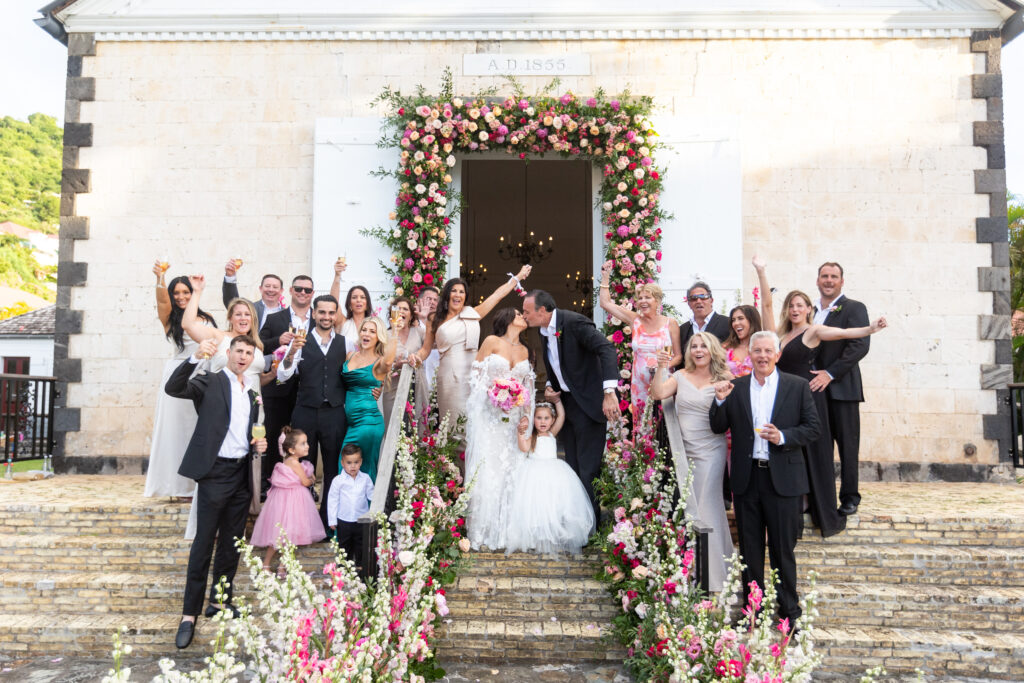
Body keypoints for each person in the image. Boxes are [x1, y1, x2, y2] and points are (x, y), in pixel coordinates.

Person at [709, 331, 820, 626]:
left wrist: (783, 436)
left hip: (783, 480)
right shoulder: (736, 386)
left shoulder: (796, 387)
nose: (762, 356)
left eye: (768, 351)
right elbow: (718, 426)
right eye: (757, 351)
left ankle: (789, 613)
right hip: (747, 480)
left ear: (777, 355)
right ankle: (753, 611)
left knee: (783, 549)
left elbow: (813, 428)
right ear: (750, 356)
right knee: (750, 550)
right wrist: (719, 402)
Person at [165, 336, 268, 649]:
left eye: (249, 353)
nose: (243, 356)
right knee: (203, 544)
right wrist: (196, 356)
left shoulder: (251, 392)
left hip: (240, 474)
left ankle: (219, 601)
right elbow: (174, 387)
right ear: (228, 353)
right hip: (214, 472)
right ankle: (189, 615)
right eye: (239, 350)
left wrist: (257, 442)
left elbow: (244, 430)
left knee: (231, 543)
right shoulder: (209, 382)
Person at [776, 289, 887, 536]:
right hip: (786, 399)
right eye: (791, 306)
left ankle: (822, 504)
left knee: (816, 451)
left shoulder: (814, 329)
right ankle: (800, 498)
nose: (795, 310)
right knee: (795, 451)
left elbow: (845, 334)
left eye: (799, 305)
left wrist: (870, 329)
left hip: (809, 394)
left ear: (808, 309)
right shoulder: (782, 335)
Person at [523, 289, 620, 526]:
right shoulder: (545, 330)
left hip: (589, 404)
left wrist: (609, 393)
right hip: (567, 405)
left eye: (527, 311)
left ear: (542, 311)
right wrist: (549, 385)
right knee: (572, 468)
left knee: (588, 470)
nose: (524, 316)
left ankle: (591, 526)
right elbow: (558, 364)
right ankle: (578, 522)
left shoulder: (574, 322)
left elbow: (606, 349)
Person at [410, 265, 533, 448]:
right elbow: (426, 349)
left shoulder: (473, 313)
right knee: (454, 428)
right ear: (447, 295)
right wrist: (416, 357)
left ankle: (476, 471)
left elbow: (497, 295)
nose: (458, 295)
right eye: (454, 291)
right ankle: (456, 473)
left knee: (476, 424)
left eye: (462, 292)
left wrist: (517, 277)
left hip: (476, 376)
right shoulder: (434, 319)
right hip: (450, 378)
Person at [649, 332, 734, 591]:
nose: (698, 350)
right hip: (684, 451)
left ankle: (712, 577)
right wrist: (662, 366)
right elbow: (658, 393)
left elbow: (731, 414)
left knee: (706, 505)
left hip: (712, 450)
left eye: (703, 346)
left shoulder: (725, 379)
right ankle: (692, 568)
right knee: (689, 506)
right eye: (694, 346)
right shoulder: (680, 376)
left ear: (712, 351)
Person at [463, 307, 533, 550]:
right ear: (507, 319)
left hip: (513, 420)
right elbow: (475, 376)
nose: (523, 316)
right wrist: (494, 396)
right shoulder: (491, 341)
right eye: (518, 314)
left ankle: (506, 533)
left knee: (510, 471)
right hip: (489, 417)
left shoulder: (525, 350)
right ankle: (483, 531)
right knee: (489, 469)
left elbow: (527, 389)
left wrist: (525, 416)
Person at [277, 294, 349, 531]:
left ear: (335, 315)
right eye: (322, 312)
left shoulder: (344, 343)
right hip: (305, 412)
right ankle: (302, 523)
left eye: (331, 313)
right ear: (314, 313)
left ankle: (328, 522)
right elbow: (283, 375)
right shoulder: (300, 340)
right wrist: (290, 352)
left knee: (332, 469)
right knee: (303, 467)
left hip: (334, 414)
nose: (326, 317)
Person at [145, 267, 217, 499]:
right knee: (176, 432)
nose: (181, 297)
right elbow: (162, 302)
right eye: (176, 293)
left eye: (185, 292)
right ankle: (176, 486)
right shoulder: (170, 319)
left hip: (204, 374)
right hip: (179, 376)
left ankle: (199, 483)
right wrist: (160, 278)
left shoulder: (206, 319)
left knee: (199, 430)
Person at [813, 262, 872, 517]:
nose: (828, 280)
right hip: (814, 390)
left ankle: (850, 496)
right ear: (817, 280)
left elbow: (859, 346)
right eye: (824, 276)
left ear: (842, 281)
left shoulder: (854, 308)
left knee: (848, 445)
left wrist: (830, 373)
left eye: (833, 276)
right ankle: (822, 499)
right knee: (820, 446)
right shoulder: (811, 310)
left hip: (843, 388)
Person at [506, 400, 594, 554]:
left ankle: (554, 532)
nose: (542, 422)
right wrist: (520, 433)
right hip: (534, 472)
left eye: (546, 418)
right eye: (539, 418)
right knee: (537, 504)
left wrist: (558, 401)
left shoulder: (552, 433)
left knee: (555, 503)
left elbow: (562, 415)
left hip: (555, 472)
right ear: (533, 419)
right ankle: (536, 535)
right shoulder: (532, 436)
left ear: (552, 420)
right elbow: (524, 448)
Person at [259, 275, 315, 498]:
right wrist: (277, 341)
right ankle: (272, 482)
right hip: (278, 385)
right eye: (299, 289)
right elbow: (258, 344)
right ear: (290, 290)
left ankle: (305, 483)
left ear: (312, 293)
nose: (303, 293)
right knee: (274, 435)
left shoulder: (318, 319)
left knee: (306, 438)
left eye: (307, 290)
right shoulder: (275, 319)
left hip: (308, 385)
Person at [598, 262, 681, 413]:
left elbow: (678, 356)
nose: (643, 301)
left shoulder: (670, 324)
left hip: (664, 383)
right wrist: (605, 277)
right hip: (640, 386)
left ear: (657, 301)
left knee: (664, 429)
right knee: (643, 430)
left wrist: (662, 365)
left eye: (647, 297)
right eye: (640, 298)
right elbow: (605, 303)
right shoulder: (635, 320)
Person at [250, 426, 326, 575]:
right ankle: (273, 565)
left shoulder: (288, 461)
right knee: (286, 536)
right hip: (292, 502)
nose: (308, 446)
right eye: (303, 443)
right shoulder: (295, 463)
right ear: (291, 450)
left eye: (306, 442)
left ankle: (277, 566)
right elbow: (304, 482)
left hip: (283, 500)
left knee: (284, 537)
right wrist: (311, 479)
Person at [343, 316, 401, 482]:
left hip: (368, 423)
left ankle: (369, 508)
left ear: (378, 337)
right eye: (364, 330)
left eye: (372, 331)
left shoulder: (379, 362)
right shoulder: (350, 355)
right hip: (351, 424)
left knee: (364, 472)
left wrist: (395, 331)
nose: (366, 334)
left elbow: (389, 362)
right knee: (346, 471)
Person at [327, 444, 375, 569]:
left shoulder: (365, 479)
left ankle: (360, 567)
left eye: (356, 462)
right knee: (344, 546)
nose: (352, 466)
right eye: (349, 462)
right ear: (342, 463)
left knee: (361, 545)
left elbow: (372, 496)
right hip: (344, 520)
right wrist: (332, 519)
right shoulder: (338, 481)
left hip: (361, 520)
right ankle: (344, 568)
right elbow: (332, 500)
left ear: (361, 462)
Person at [381, 295, 424, 431]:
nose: (401, 311)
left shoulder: (419, 332)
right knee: (393, 429)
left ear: (411, 315)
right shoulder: (385, 335)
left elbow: (432, 345)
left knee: (415, 429)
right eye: (398, 309)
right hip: (392, 388)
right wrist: (395, 365)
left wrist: (426, 318)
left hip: (416, 387)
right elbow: (380, 363)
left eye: (405, 309)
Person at [221, 259, 283, 330]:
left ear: (281, 291)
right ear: (260, 288)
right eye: (267, 286)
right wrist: (230, 276)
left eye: (275, 287)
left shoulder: (288, 314)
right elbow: (232, 302)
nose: (271, 290)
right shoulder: (250, 308)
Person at [414, 286, 440, 422]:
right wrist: (423, 320)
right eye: (428, 299)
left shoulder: (443, 325)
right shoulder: (412, 322)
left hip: (437, 385)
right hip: (418, 384)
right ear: (419, 301)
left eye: (435, 300)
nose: (432, 302)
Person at [679, 281, 732, 348]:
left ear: (711, 301)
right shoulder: (683, 330)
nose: (698, 301)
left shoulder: (728, 324)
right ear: (689, 304)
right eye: (694, 298)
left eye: (703, 297)